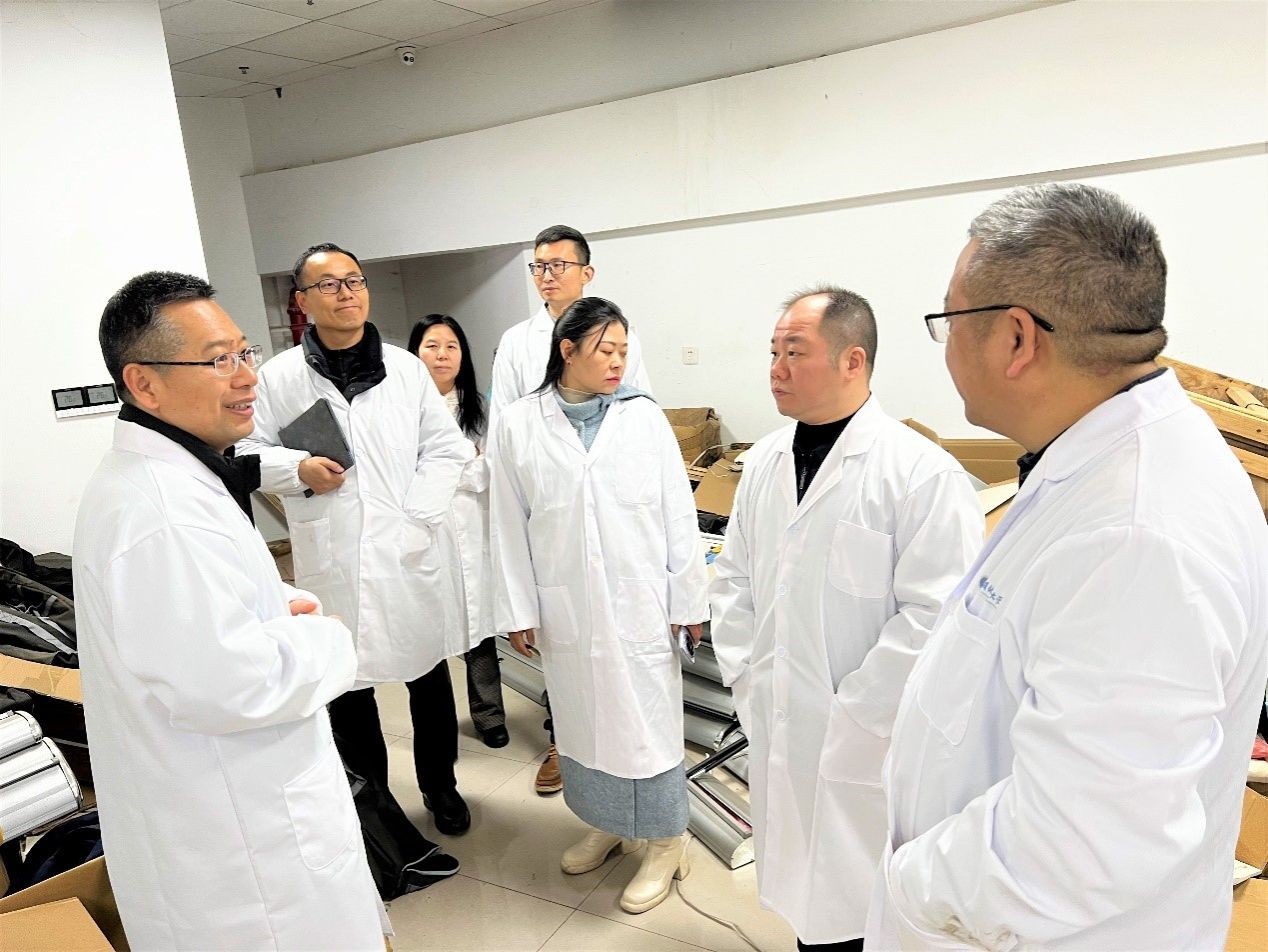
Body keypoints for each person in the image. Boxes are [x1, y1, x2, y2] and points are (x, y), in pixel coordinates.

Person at [868, 183, 1268, 950]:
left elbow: (1075, 849)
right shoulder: (1095, 461)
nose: (944, 344)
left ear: (1017, 339)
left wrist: (906, 883)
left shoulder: (1138, 533)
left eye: (949, 320)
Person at [74, 272, 384, 949]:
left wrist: (273, 606)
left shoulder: (175, 479)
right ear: (144, 384)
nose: (247, 377)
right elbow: (232, 682)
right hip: (249, 865)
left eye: (245, 352)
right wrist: (329, 640)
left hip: (234, 828)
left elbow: (197, 630)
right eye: (218, 360)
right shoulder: (162, 513)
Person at [709, 287, 982, 951]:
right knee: (807, 902)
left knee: (869, 911)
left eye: (794, 353)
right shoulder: (764, 462)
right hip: (782, 718)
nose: (776, 369)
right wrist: (748, 677)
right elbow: (735, 579)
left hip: (870, 740)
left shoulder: (920, 474)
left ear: (852, 361)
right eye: (773, 352)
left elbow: (936, 617)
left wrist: (854, 714)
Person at [240, 243, 477, 836]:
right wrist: (297, 468)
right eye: (329, 284)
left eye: (355, 281)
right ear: (302, 300)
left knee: (427, 677)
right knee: (347, 683)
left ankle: (441, 787)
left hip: (408, 550)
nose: (346, 293)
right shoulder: (278, 378)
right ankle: (374, 807)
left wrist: (416, 517)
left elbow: (446, 449)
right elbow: (246, 451)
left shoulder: (405, 369)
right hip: (333, 553)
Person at [490, 297, 708, 914]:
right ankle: (610, 823)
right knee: (584, 722)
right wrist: (518, 609)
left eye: (623, 351)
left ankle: (665, 841)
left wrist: (689, 598)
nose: (618, 362)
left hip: (641, 601)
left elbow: (678, 512)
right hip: (567, 606)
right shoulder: (519, 424)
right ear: (567, 350)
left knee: (647, 724)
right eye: (605, 350)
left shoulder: (644, 417)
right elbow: (506, 521)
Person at [489, 225, 655, 794]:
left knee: (624, 656)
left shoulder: (617, 333)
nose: (547, 276)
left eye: (558, 265)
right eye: (538, 266)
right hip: (551, 504)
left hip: (613, 511)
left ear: (587, 272)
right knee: (567, 655)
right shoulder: (518, 342)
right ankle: (564, 744)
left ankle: (629, 762)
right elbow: (506, 431)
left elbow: (636, 414)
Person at [408, 314, 509, 748]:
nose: (442, 355)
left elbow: (490, 471)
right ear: (415, 354)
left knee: (478, 627)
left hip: (473, 525)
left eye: (451, 346)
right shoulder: (400, 410)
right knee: (428, 632)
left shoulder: (481, 408)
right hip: (424, 532)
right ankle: (439, 729)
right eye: (431, 346)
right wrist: (464, 460)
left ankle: (489, 715)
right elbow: (406, 477)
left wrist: (451, 468)